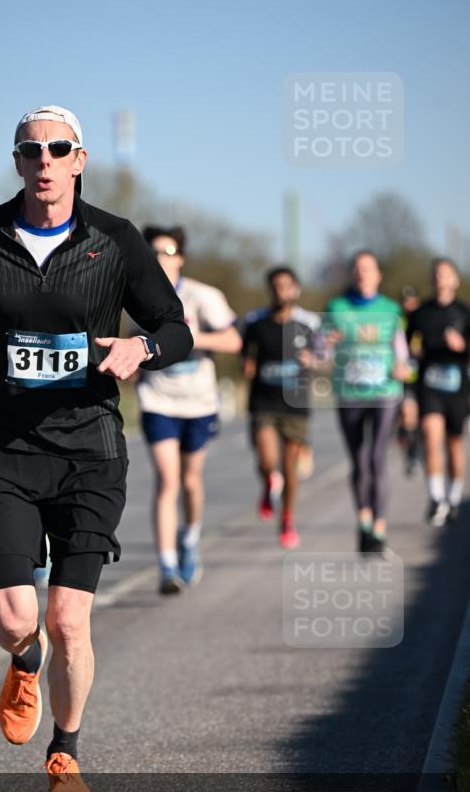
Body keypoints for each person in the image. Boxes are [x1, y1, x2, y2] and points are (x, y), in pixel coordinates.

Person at [0, 105, 192, 792]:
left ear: (79, 160)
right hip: (1, 449)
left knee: (69, 617)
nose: (43, 160)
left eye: (58, 149)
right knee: (19, 618)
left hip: (88, 451)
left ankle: (65, 753)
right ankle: (24, 660)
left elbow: (175, 327)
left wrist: (143, 346)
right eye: (30, 149)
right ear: (16, 161)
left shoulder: (116, 239)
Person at [134, 226, 241, 593]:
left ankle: (190, 537)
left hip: (198, 401)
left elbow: (233, 339)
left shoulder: (203, 295)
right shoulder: (135, 296)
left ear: (180, 257)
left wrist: (185, 340)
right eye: (155, 252)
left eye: (169, 251)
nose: (162, 258)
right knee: (168, 481)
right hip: (158, 400)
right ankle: (166, 567)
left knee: (191, 481)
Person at [322, 251, 409, 555]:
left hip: (385, 391)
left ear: (378, 274)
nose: (362, 274)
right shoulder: (336, 307)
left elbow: (402, 351)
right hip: (349, 393)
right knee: (358, 459)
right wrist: (325, 346)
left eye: (368, 269)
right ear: (352, 274)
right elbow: (322, 352)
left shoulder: (391, 309)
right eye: (357, 269)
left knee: (376, 458)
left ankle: (380, 527)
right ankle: (364, 520)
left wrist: (403, 368)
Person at [242, 266, 320, 549]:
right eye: (275, 286)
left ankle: (287, 519)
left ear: (295, 289)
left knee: (290, 467)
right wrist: (246, 363)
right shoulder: (255, 322)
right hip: (263, 401)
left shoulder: (309, 323)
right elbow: (244, 351)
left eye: (286, 286)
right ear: (270, 290)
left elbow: (326, 356)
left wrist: (316, 359)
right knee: (266, 459)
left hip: (295, 404)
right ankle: (268, 482)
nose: (281, 291)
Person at [406, 258, 470, 525]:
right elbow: (405, 341)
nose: (441, 280)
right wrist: (412, 353)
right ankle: (436, 498)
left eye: (446, 275)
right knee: (430, 436)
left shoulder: (466, 312)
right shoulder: (421, 312)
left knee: (454, 445)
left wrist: (463, 345)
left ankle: (454, 498)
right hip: (429, 385)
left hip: (457, 387)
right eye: (436, 275)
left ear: (455, 280)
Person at [397, 286, 422, 477]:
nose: (408, 304)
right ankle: (412, 455)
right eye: (405, 301)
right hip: (405, 376)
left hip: (423, 377)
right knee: (407, 416)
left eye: (411, 301)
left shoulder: (424, 319)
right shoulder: (399, 321)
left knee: (418, 418)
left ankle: (416, 454)